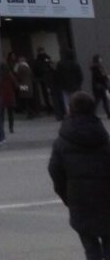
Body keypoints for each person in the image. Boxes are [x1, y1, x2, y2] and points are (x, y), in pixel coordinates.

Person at [48, 91, 110, 260]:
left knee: (90, 248)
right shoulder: (103, 137)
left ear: (70, 110)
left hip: (79, 199)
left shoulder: (62, 141)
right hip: (106, 199)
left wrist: (67, 196)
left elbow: (55, 172)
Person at [59, 51, 85, 119]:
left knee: (67, 102)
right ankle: (78, 113)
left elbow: (58, 76)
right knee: (77, 101)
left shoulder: (60, 64)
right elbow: (80, 76)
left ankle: (69, 114)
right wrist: (79, 84)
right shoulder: (75, 64)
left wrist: (61, 84)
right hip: (75, 86)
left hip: (65, 86)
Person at [35, 49, 56, 115]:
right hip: (44, 79)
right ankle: (49, 108)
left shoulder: (45, 58)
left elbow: (51, 65)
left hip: (48, 79)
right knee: (46, 95)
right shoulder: (39, 60)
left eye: (42, 51)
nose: (42, 52)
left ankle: (51, 107)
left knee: (49, 94)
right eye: (40, 51)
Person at [1, 55, 18, 137]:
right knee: (10, 113)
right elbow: (16, 85)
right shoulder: (10, 75)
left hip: (1, 96)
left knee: (1, 113)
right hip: (10, 95)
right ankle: (11, 127)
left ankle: (1, 127)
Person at [91, 56, 110, 121]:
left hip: (100, 86)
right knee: (99, 101)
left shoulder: (97, 67)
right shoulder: (96, 67)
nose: (101, 59)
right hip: (99, 87)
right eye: (100, 58)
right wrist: (106, 76)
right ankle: (92, 114)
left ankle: (108, 114)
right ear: (97, 59)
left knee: (101, 101)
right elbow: (99, 76)